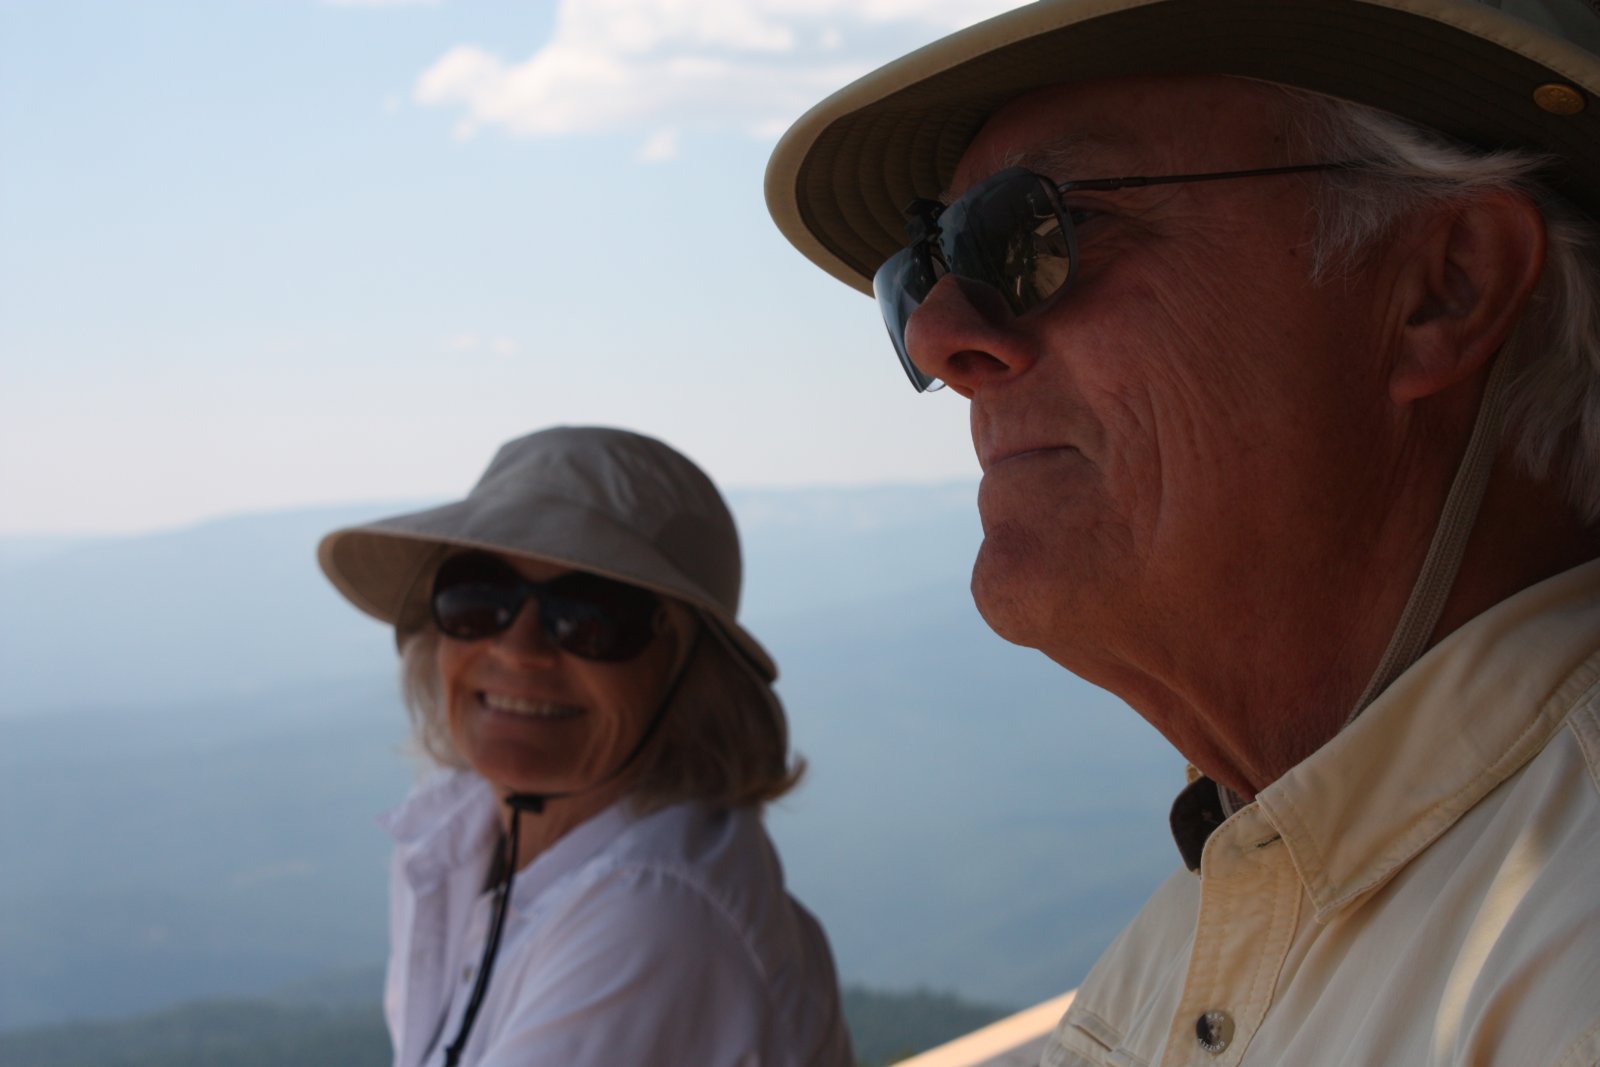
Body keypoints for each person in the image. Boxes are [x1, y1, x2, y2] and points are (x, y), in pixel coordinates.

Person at [765, 2, 1600, 1065]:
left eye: (1038, 230)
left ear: (1444, 287)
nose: (938, 336)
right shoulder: (1209, 925)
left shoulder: (1566, 962)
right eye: (924, 268)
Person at [317, 426, 853, 1067]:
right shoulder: (456, 830)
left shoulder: (657, 916)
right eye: (478, 597)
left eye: (591, 616)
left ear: (692, 674)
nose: (518, 649)